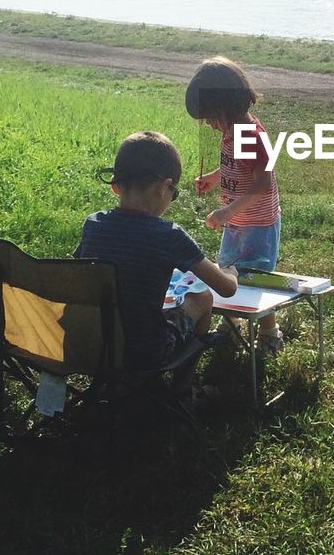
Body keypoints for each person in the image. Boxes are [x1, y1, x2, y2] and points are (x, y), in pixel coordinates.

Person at [76, 130, 238, 377]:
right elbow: (226, 289)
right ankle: (181, 391)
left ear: (116, 187)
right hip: (144, 353)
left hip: (90, 344)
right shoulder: (169, 236)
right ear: (164, 188)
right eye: (175, 194)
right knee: (203, 298)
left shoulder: (93, 225)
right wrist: (229, 272)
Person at [184, 56, 285, 353]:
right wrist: (216, 178)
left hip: (257, 223)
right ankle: (231, 327)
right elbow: (236, 166)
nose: (212, 125)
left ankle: (270, 336)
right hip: (238, 221)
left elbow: (262, 184)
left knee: (254, 280)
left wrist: (227, 211)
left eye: (212, 117)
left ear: (227, 105)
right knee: (228, 270)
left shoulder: (251, 135)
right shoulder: (232, 130)